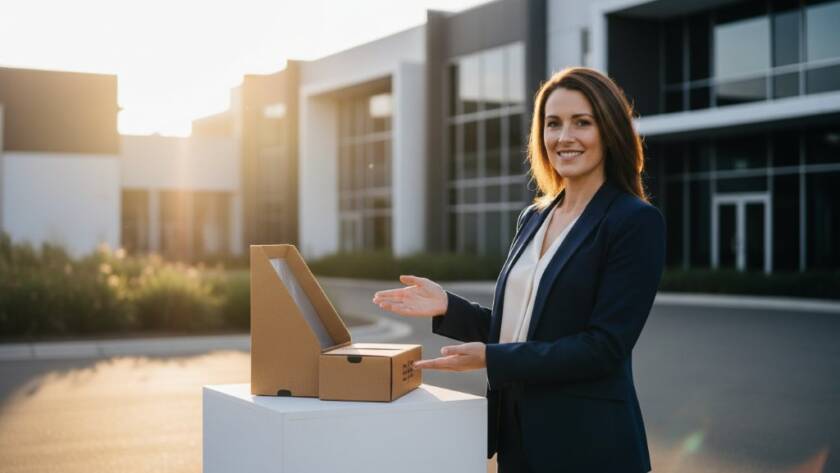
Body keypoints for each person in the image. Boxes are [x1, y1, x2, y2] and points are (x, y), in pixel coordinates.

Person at [373, 67, 665, 473]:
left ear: (610, 129)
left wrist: (492, 359)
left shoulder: (634, 220)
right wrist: (447, 308)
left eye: (582, 122)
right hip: (518, 438)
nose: (564, 136)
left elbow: (604, 349)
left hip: (590, 446)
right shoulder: (534, 217)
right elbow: (524, 329)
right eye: (552, 123)